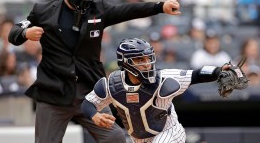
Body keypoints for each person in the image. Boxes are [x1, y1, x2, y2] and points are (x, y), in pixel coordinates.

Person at [8, 0, 181, 143]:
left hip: (90, 93)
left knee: (115, 137)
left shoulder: (98, 9)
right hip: (54, 92)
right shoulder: (44, 11)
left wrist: (160, 6)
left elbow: (128, 9)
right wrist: (25, 33)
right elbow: (15, 31)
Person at [81, 37, 231, 143]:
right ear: (125, 62)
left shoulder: (164, 77)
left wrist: (219, 71)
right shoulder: (112, 84)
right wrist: (94, 115)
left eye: (148, 58)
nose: (147, 64)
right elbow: (88, 103)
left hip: (169, 132)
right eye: (140, 60)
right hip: (139, 138)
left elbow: (196, 75)